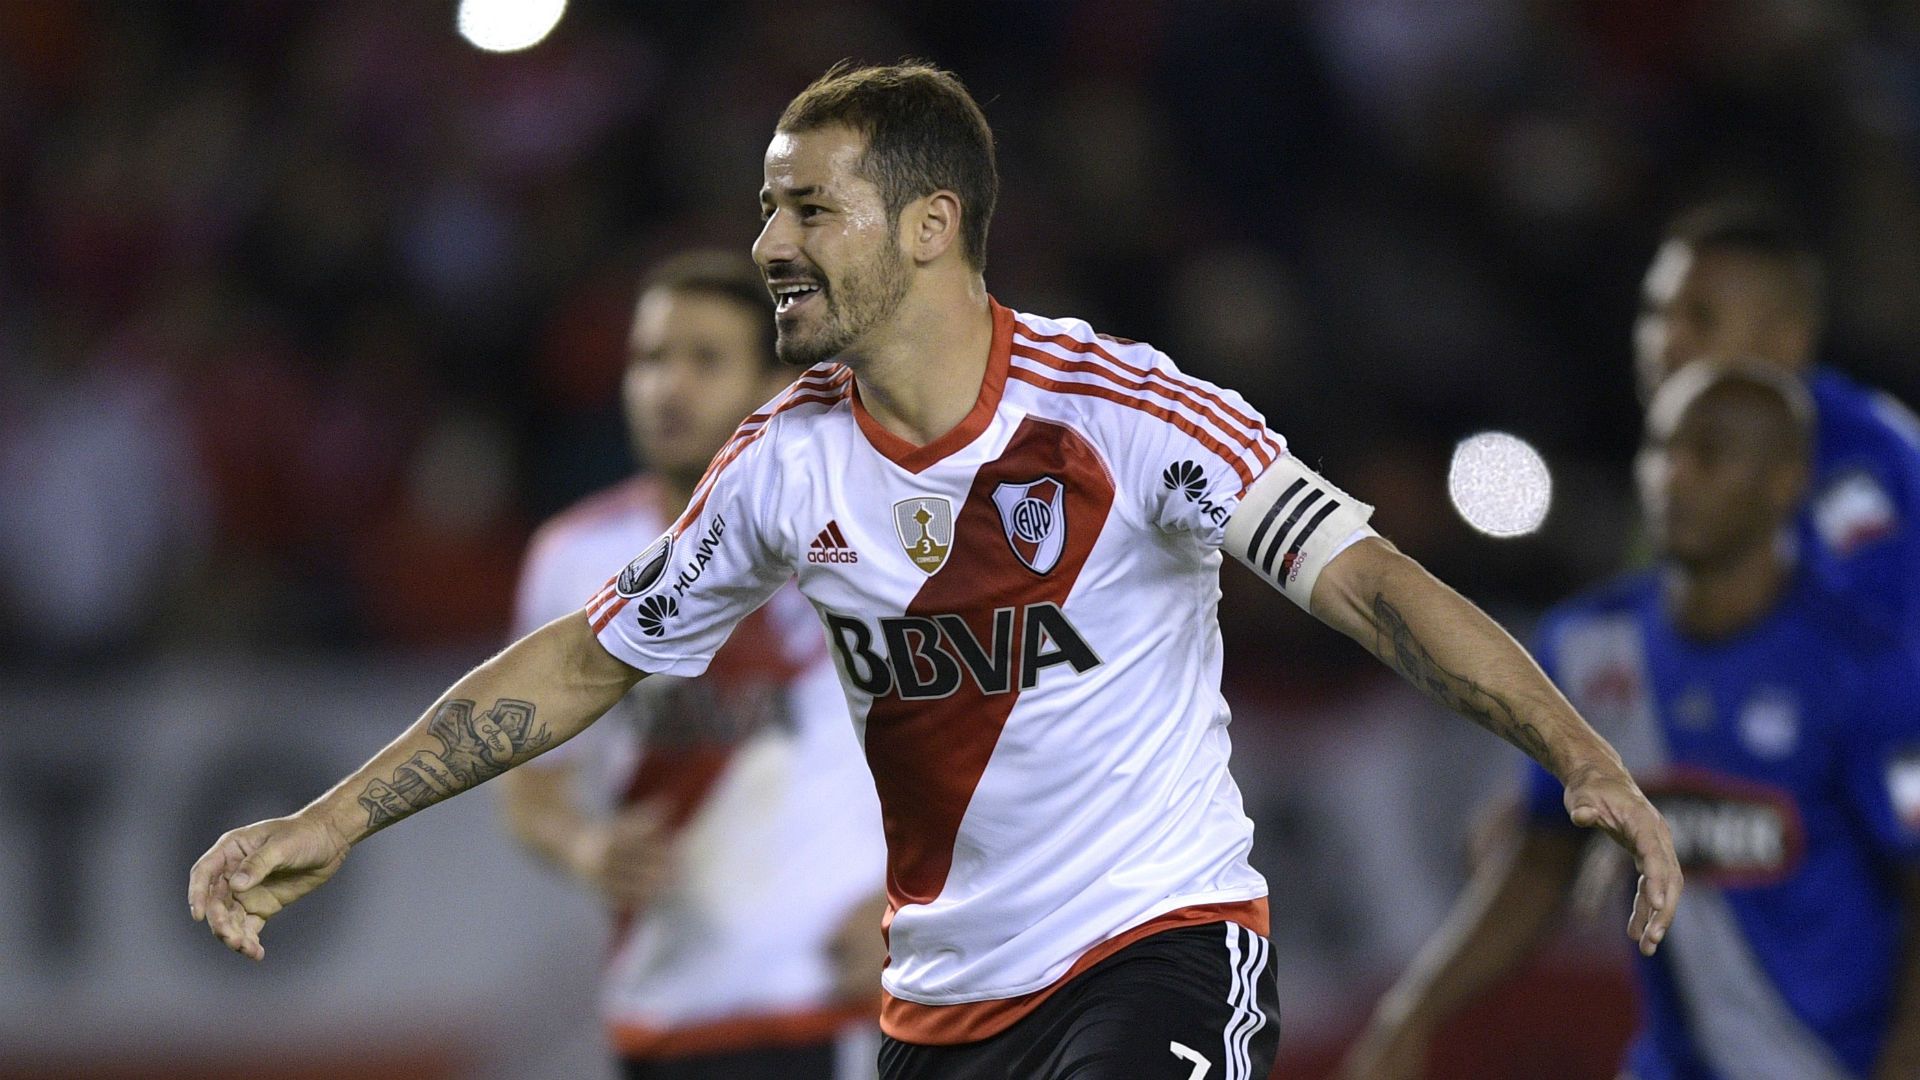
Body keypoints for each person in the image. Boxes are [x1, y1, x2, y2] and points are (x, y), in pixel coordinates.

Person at [189, 62, 1681, 1080]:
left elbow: (1375, 587)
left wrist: (1576, 752)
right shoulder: (784, 463)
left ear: (930, 224)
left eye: (806, 208)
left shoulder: (1126, 416)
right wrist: (337, 816)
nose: (768, 242)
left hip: (1157, 952)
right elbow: (589, 657)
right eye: (767, 207)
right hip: (937, 1015)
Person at [1341, 361, 1920, 1080]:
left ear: (1785, 482)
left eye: (1708, 454)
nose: (1672, 477)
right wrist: (1413, 1013)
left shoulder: (1862, 665)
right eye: (1660, 449)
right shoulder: (1590, 647)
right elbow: (1543, 861)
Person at [497, 251, 887, 1080]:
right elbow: (531, 788)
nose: (668, 386)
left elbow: (988, 747)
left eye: (705, 360)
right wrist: (586, 846)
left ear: (772, 387)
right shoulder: (572, 559)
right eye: (649, 359)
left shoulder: (866, 536)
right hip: (665, 1012)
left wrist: (914, 912)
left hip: (837, 1000)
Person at [1634, 201, 1920, 645]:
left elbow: (1880, 651)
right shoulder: (1679, 448)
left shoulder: (1862, 466)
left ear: (1786, 341)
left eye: (1701, 318)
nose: (1666, 340)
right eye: (1656, 312)